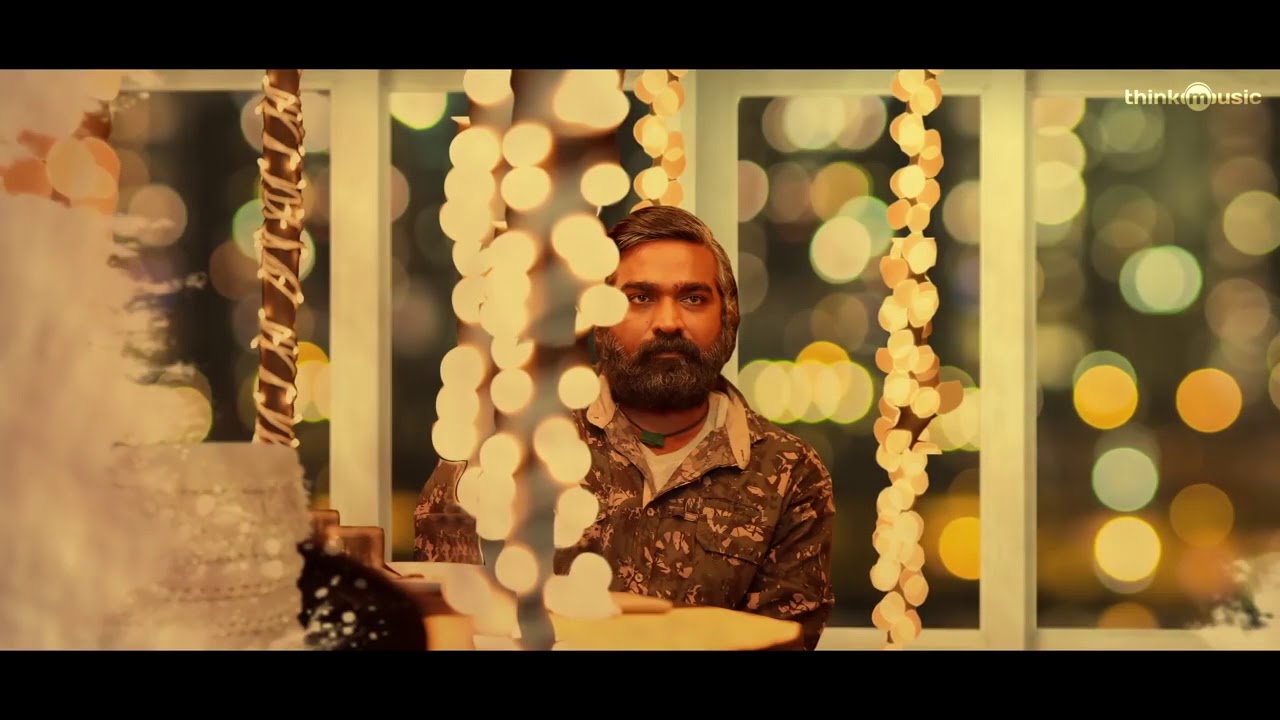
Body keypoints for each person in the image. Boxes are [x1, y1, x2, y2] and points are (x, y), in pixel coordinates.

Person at [416, 205, 836, 650]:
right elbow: (449, 617)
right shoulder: (512, 443)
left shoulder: (788, 473)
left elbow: (780, 643)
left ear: (729, 317)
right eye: (640, 297)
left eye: (693, 298)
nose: (668, 322)